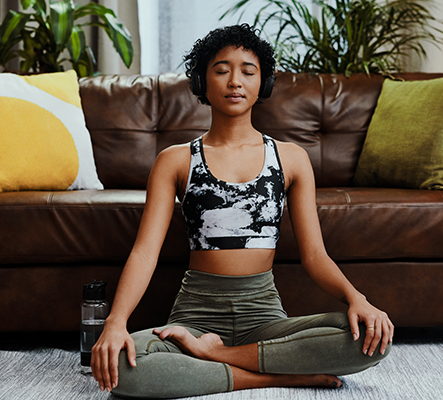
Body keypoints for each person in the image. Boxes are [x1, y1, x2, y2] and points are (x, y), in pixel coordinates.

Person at [91, 24, 394, 398]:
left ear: (262, 83)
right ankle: (270, 375)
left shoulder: (292, 159)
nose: (235, 81)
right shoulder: (175, 161)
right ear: (203, 80)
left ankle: (217, 356)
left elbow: (315, 255)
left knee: (369, 336)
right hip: (194, 315)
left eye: (248, 72)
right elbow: (144, 252)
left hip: (263, 317)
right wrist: (115, 323)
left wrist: (357, 299)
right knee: (121, 368)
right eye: (221, 70)